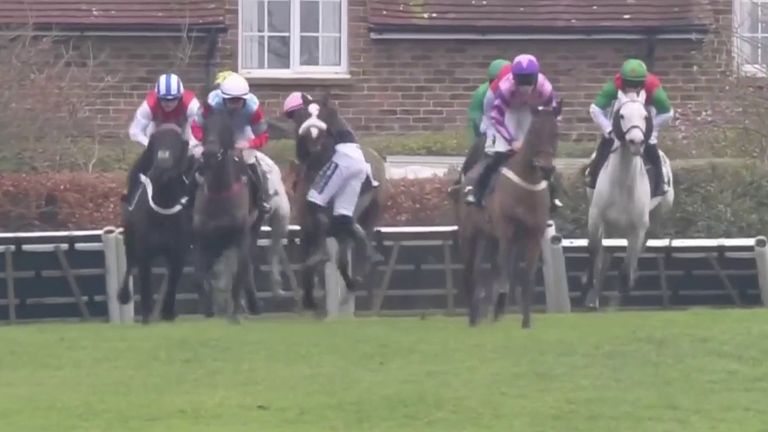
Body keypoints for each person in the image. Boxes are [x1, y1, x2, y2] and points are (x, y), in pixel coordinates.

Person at [465, 54, 562, 211]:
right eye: (521, 81)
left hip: (529, 111)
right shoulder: (506, 86)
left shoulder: (545, 87)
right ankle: (478, 193)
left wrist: (544, 136)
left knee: (543, 157)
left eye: (528, 80)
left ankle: (553, 197)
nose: (524, 86)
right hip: (507, 111)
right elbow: (496, 116)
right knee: (499, 154)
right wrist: (511, 141)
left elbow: (552, 115)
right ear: (514, 78)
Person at [587, 58, 674, 194]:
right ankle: (593, 176)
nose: (632, 89)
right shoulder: (614, 86)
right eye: (628, 85)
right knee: (606, 143)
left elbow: (668, 113)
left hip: (645, 115)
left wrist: (650, 130)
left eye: (637, 85)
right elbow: (595, 109)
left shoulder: (654, 89)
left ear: (644, 83)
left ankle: (660, 181)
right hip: (621, 115)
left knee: (650, 146)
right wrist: (609, 129)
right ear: (622, 81)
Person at [190, 72, 271, 213]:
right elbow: (196, 125)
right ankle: (188, 195)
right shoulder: (211, 104)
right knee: (197, 157)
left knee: (251, 160)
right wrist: (205, 140)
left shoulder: (253, 109)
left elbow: (263, 135)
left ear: (245, 99)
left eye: (238, 101)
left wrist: (249, 144)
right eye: (231, 100)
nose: (234, 104)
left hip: (241, 134)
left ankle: (260, 198)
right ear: (223, 98)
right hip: (215, 136)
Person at [125, 73, 201, 202]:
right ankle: (131, 200)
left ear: (180, 97)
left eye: (173, 99)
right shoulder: (149, 105)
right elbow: (134, 131)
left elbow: (197, 131)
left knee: (195, 166)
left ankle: (196, 200)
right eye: (163, 99)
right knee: (138, 169)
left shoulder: (191, 104)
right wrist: (151, 146)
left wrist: (187, 147)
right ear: (157, 96)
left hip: (183, 133)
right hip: (157, 134)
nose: (168, 103)